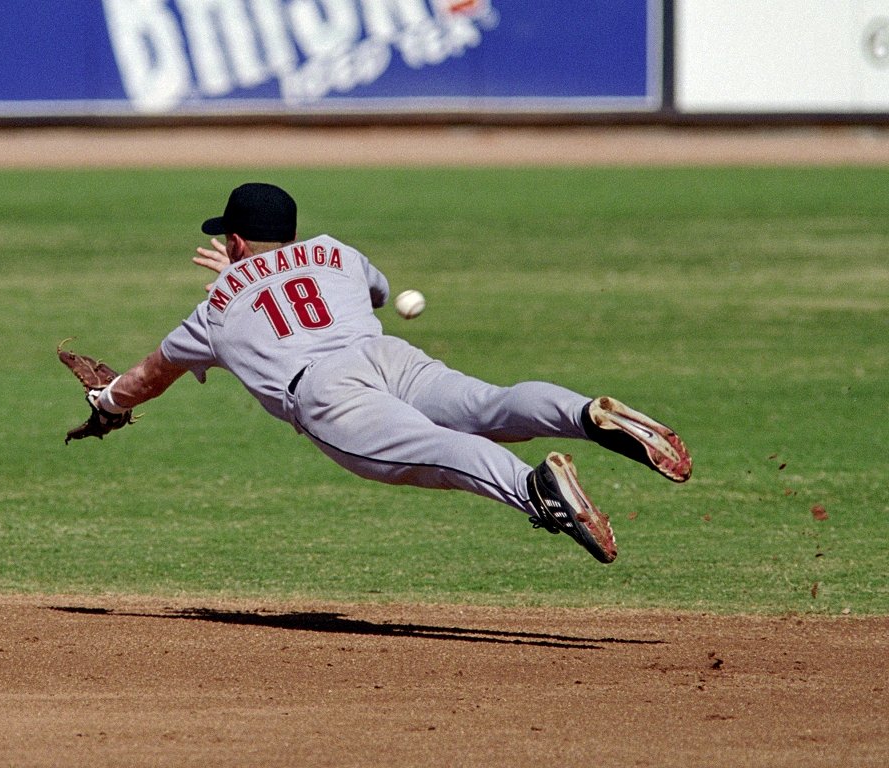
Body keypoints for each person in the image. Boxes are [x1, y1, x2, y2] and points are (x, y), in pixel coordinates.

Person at [88, 182, 692, 564]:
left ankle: (537, 492)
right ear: (292, 234)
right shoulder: (334, 251)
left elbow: (151, 374)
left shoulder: (216, 307)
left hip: (327, 392)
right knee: (489, 405)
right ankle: (584, 414)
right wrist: (263, 269)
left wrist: (107, 400)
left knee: (439, 451)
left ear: (236, 240)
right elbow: (372, 294)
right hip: (386, 356)